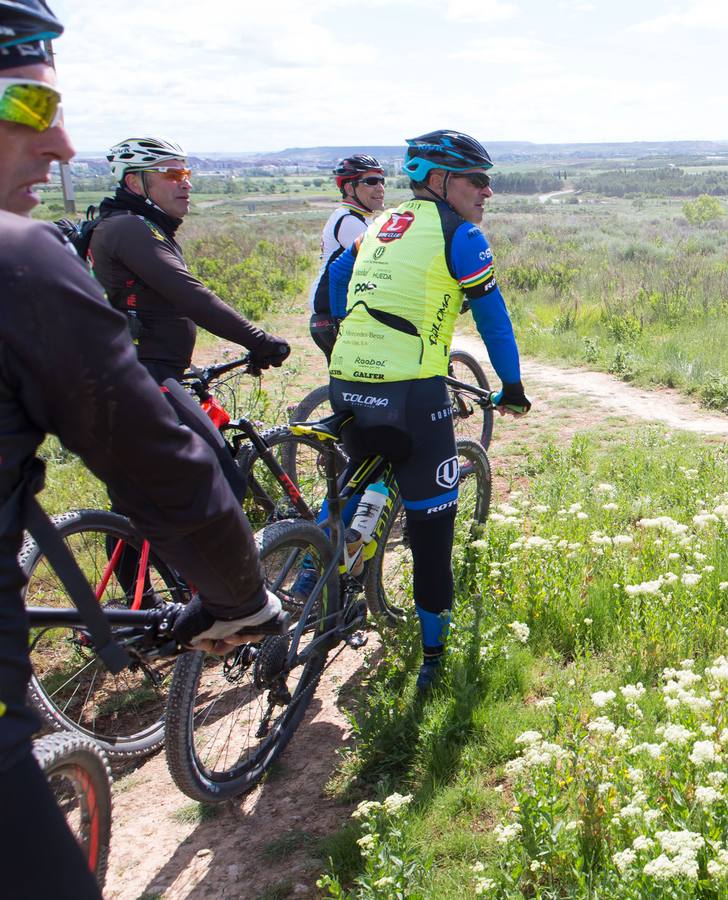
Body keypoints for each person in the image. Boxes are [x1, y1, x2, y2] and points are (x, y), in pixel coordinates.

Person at [0, 4, 280, 896]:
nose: (60, 144)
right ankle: (210, 597)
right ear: (138, 181)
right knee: (211, 474)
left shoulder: (124, 227)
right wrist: (242, 592)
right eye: (33, 110)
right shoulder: (78, 241)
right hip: (150, 382)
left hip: (149, 374)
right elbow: (189, 304)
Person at [327, 129, 529, 691]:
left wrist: (342, 331)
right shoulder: (459, 234)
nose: (487, 192)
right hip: (412, 395)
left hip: (347, 378)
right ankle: (433, 661)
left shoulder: (380, 225)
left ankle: (321, 580)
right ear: (438, 181)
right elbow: (494, 321)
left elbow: (336, 280)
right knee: (432, 529)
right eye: (476, 180)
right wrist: (511, 387)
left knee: (358, 478)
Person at [87, 135, 290, 383]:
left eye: (186, 174)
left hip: (156, 370)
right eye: (172, 175)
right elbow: (190, 296)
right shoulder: (129, 229)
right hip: (140, 377)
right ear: (134, 182)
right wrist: (260, 341)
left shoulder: (144, 226)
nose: (185, 184)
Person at [307, 154, 385, 359]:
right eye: (371, 181)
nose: (380, 187)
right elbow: (383, 262)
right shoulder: (348, 220)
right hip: (331, 312)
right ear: (349, 189)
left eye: (382, 180)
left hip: (340, 309)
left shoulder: (359, 219)